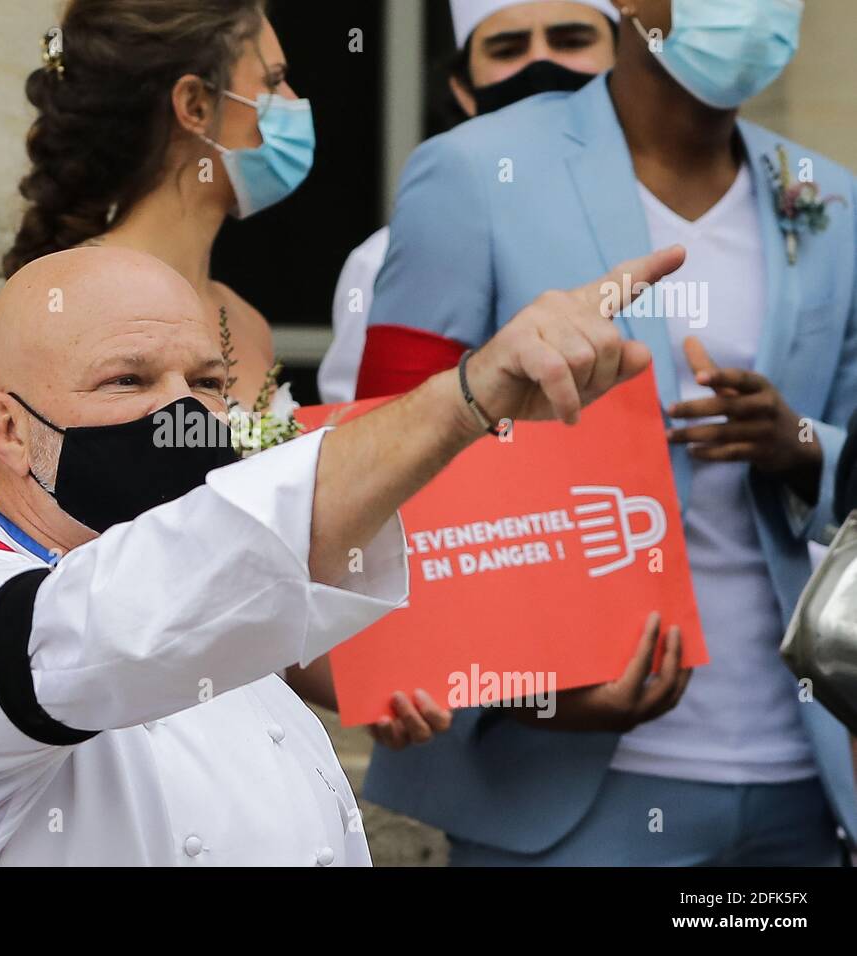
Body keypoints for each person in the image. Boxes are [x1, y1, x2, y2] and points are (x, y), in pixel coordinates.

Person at [0, 241, 685, 866]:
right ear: (7, 429)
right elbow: (131, 618)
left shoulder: (239, 640)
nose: (182, 413)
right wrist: (460, 402)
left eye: (202, 381)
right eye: (128, 380)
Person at [357, 0, 857, 866]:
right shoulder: (476, 171)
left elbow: (843, 444)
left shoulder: (827, 197)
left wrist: (797, 443)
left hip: (798, 773)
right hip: (559, 782)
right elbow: (385, 457)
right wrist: (519, 692)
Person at [0, 0, 309, 410]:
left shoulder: (246, 322)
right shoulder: (72, 300)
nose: (293, 100)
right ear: (195, 105)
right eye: (273, 81)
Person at [318, 0, 620, 404]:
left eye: (570, 41)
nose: (541, 62)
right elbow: (367, 434)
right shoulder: (385, 262)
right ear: (463, 89)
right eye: (508, 50)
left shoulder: (670, 224)